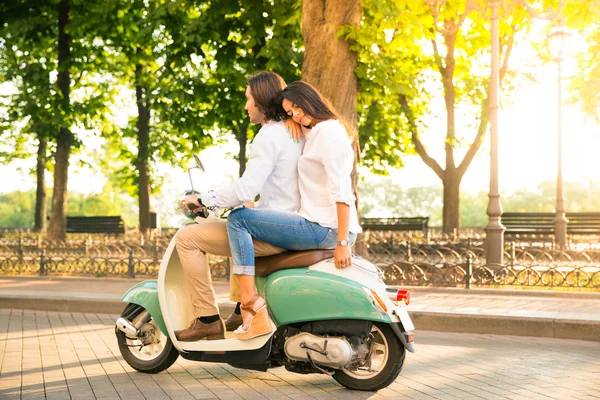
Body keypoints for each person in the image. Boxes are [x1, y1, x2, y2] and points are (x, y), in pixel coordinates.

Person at [226, 81, 362, 340]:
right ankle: (244, 308)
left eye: (298, 108)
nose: (296, 115)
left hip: (324, 228)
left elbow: (342, 192)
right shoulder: (315, 131)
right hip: (317, 223)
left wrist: (343, 242)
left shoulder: (330, 133)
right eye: (290, 112)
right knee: (245, 219)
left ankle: (249, 306)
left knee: (238, 220)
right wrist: (294, 122)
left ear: (312, 99)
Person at [174, 71, 303, 342]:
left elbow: (245, 188)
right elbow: (277, 185)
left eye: (248, 99)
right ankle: (236, 310)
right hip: (289, 222)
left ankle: (207, 319)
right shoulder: (293, 132)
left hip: (277, 232)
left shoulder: (268, 136)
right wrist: (248, 202)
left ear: (261, 101)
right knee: (239, 217)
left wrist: (203, 199)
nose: (245, 106)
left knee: (187, 238)